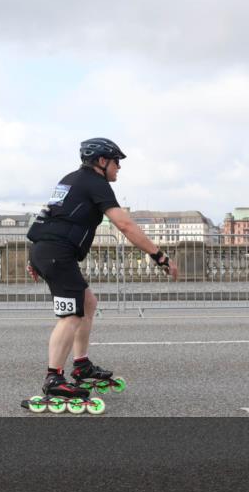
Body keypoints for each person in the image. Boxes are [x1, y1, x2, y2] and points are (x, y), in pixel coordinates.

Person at [26, 137, 178, 402]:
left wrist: (35, 255)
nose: (119, 167)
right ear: (101, 161)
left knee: (88, 303)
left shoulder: (72, 178)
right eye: (116, 161)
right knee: (71, 316)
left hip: (47, 250)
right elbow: (125, 225)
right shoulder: (96, 183)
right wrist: (159, 255)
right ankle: (54, 379)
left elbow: (48, 217)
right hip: (56, 253)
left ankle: (81, 365)